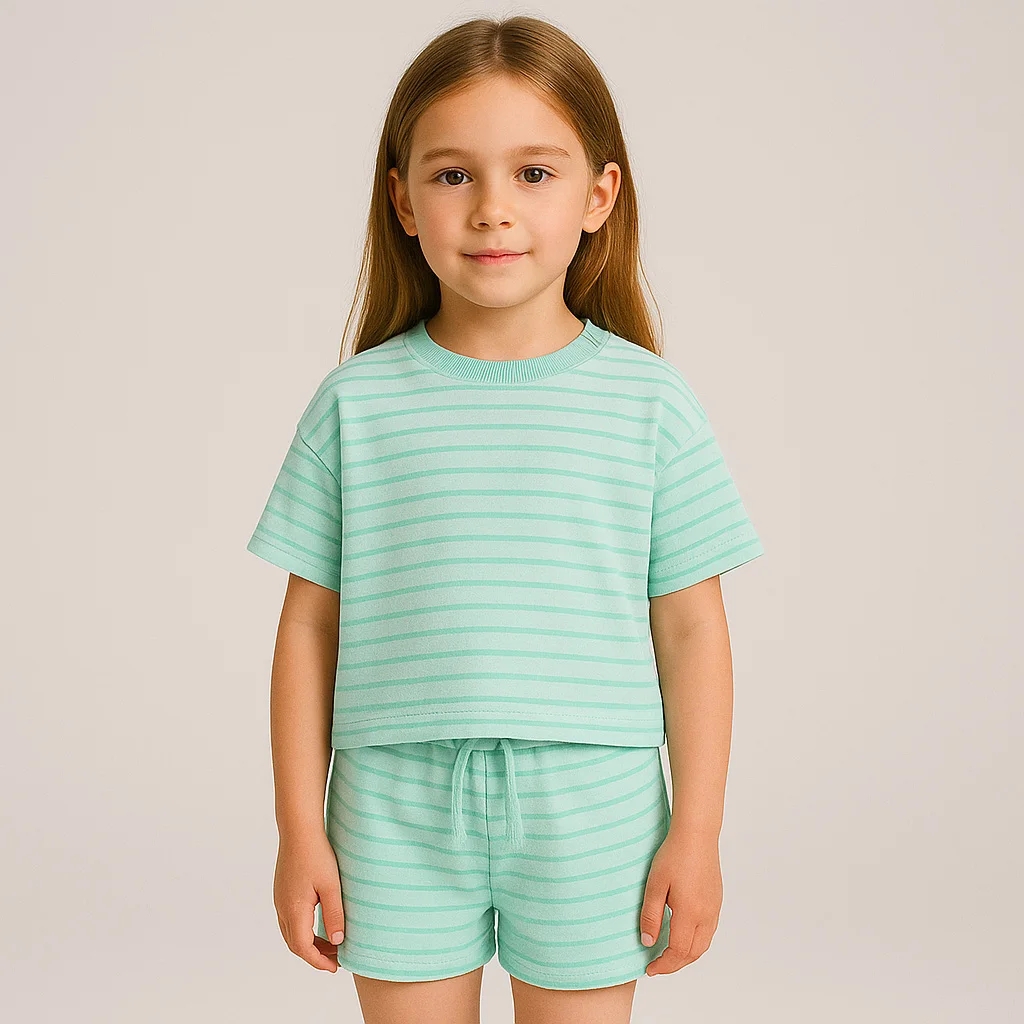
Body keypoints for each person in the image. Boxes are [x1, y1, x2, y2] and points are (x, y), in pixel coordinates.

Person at [245, 14, 765, 1023]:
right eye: (453, 175)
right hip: (392, 806)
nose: (492, 209)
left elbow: (693, 629)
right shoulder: (356, 404)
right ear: (402, 199)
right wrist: (297, 829)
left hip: (596, 805)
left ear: (598, 196)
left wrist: (696, 831)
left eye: (533, 173)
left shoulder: (651, 404)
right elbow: (309, 625)